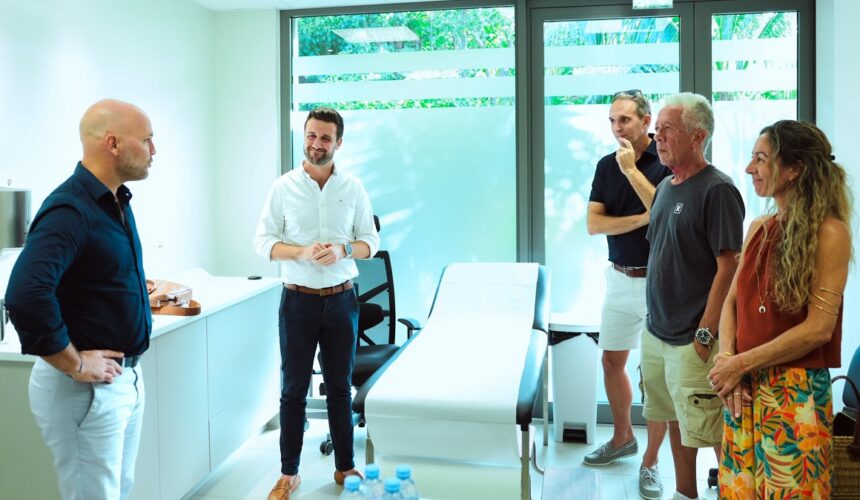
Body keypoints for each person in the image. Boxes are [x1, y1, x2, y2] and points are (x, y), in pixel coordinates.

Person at [4, 99, 155, 500]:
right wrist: (74, 362)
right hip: (83, 388)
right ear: (113, 144)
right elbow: (24, 294)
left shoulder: (116, 201)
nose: (154, 151)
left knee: (116, 491)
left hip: (121, 379)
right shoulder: (70, 208)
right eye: (147, 140)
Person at [709, 120, 851, 498]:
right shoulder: (759, 226)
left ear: (794, 169)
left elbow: (819, 329)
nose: (749, 168)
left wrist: (739, 363)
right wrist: (728, 361)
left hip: (795, 390)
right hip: (743, 386)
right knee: (739, 491)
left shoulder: (830, 232)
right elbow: (732, 302)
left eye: (761, 159)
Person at [254, 107, 379, 500]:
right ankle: (289, 473)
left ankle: (345, 466)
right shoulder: (283, 187)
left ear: (338, 143)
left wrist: (344, 249)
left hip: (342, 301)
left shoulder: (353, 187)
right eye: (311, 135)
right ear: (304, 137)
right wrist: (302, 253)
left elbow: (370, 243)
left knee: (340, 387)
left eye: (325, 138)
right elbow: (263, 243)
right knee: (293, 389)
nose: (316, 144)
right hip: (298, 302)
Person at [642, 92, 745, 500]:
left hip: (693, 337)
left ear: (697, 135)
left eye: (667, 129)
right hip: (657, 332)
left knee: (711, 426)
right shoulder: (666, 186)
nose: (657, 137)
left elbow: (729, 265)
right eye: (658, 129)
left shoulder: (718, 189)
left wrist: (706, 332)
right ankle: (686, 493)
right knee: (673, 418)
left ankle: (735, 492)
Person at [583, 89, 671, 499]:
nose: (618, 128)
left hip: (660, 280)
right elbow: (594, 224)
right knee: (611, 360)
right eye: (613, 121)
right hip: (619, 278)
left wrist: (632, 171)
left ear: (647, 121)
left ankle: (651, 463)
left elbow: (667, 215)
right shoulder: (605, 166)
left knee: (653, 376)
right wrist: (641, 220)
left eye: (626, 120)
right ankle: (623, 438)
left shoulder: (664, 161)